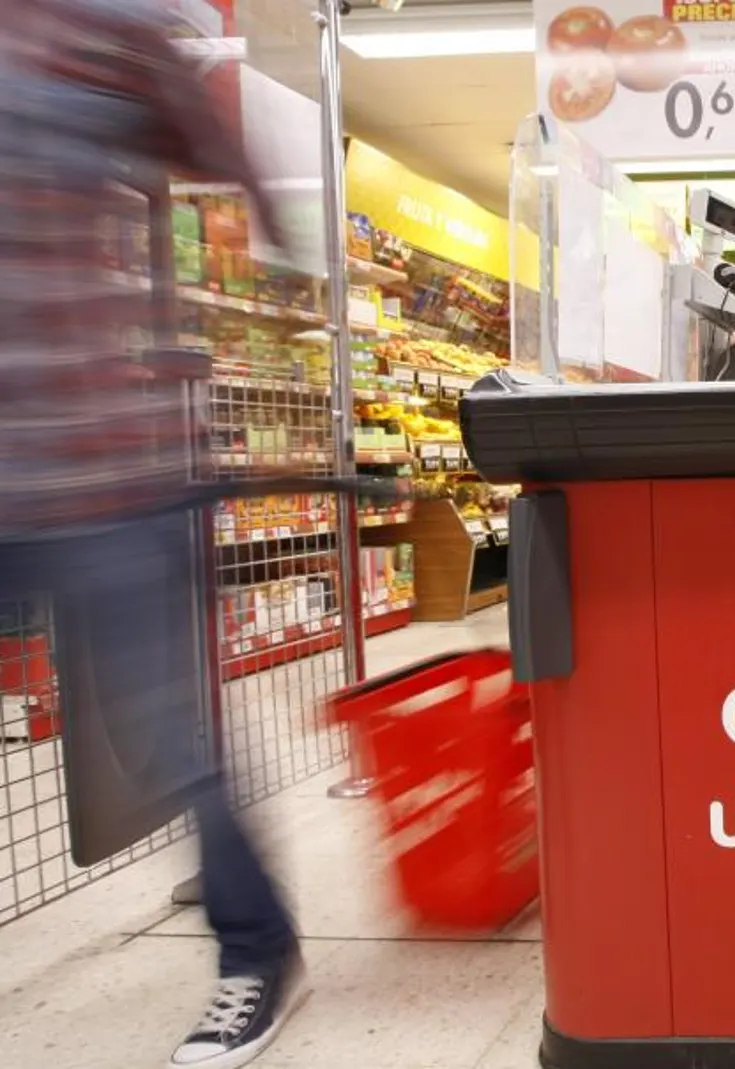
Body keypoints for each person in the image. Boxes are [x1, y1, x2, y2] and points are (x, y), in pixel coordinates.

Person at [0, 3, 306, 1067]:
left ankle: (256, 951)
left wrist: (250, 278)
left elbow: (222, 157)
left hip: (89, 460)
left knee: (171, 741)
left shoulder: (90, 29)